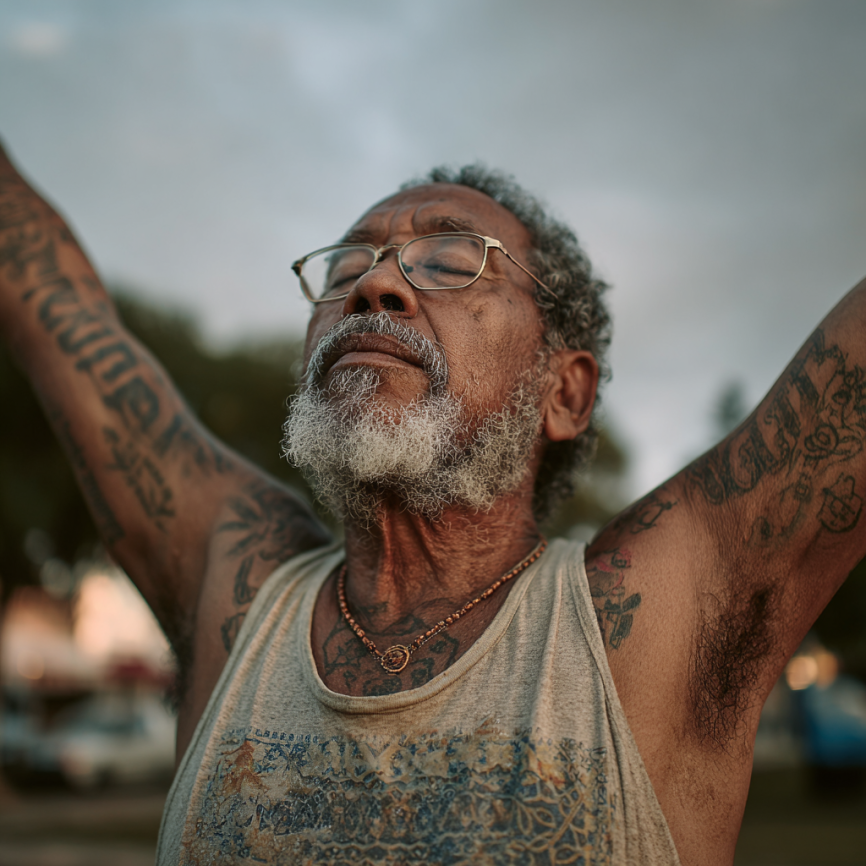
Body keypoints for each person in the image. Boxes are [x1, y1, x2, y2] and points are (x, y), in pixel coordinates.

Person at [1, 143, 863, 866]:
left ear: (564, 393)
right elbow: (50, 298)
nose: (374, 286)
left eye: (451, 263)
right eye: (346, 267)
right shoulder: (237, 587)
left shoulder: (649, 617)